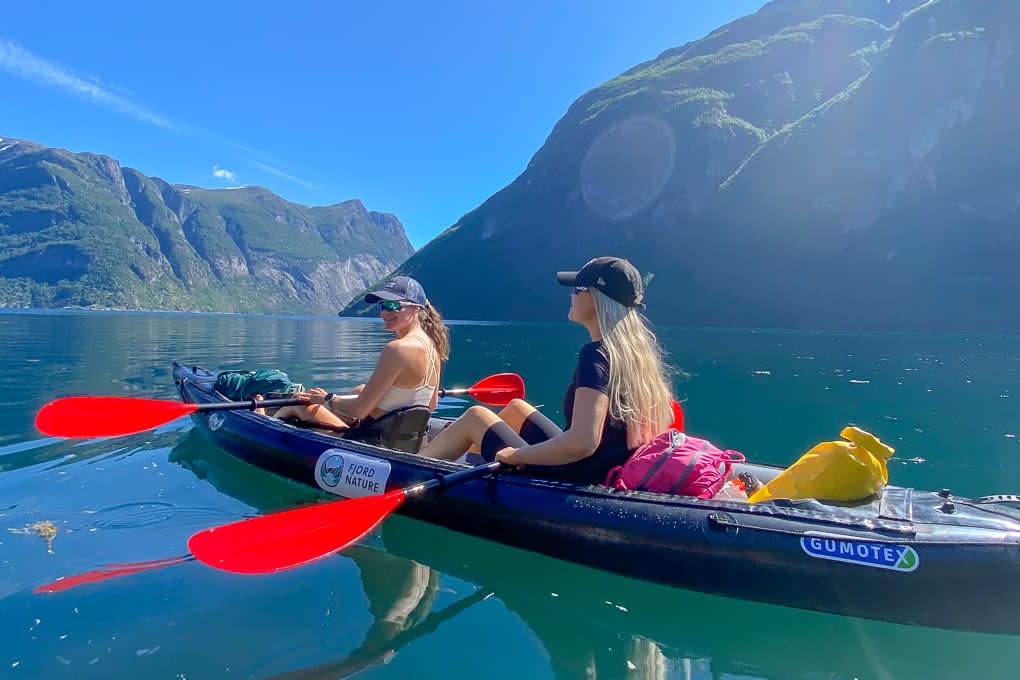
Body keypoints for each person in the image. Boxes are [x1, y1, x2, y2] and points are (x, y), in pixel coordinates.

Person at [418, 256, 674, 483]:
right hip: (603, 466)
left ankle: (406, 467)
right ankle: (469, 464)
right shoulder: (634, 355)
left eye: (577, 288)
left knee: (476, 417)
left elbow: (583, 442)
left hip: (577, 473)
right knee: (517, 408)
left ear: (596, 298)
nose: (571, 295)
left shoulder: (596, 355)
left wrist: (516, 454)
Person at [268, 276, 450, 435]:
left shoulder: (397, 349)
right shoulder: (433, 348)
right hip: (402, 440)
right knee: (360, 390)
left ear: (416, 308)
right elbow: (431, 405)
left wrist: (328, 399)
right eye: (382, 305)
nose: (384, 312)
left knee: (298, 405)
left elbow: (360, 410)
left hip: (375, 441)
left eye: (393, 305)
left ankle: (264, 423)